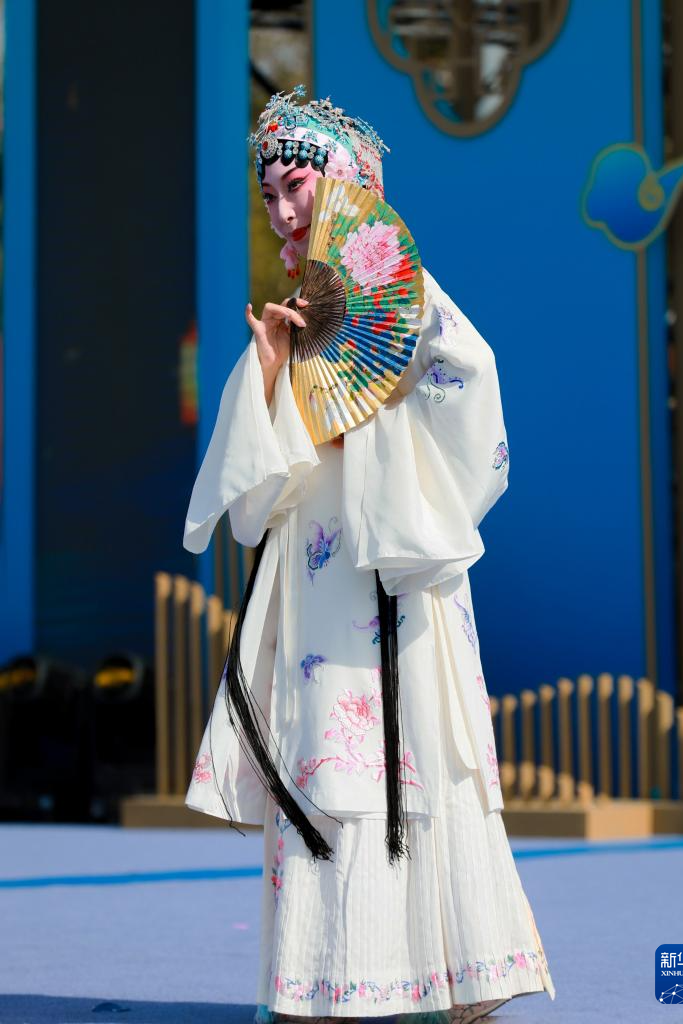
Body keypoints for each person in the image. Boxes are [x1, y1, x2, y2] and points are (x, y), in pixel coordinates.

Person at [182, 85, 556, 1024]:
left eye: (297, 187)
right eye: (269, 195)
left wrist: (387, 419)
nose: (282, 210)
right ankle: (333, 982)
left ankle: (444, 977)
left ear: (346, 186)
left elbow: (472, 387)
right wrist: (272, 372)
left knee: (412, 748)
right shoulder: (296, 315)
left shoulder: (403, 296)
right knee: (332, 755)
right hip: (318, 573)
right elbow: (253, 497)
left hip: (395, 557)